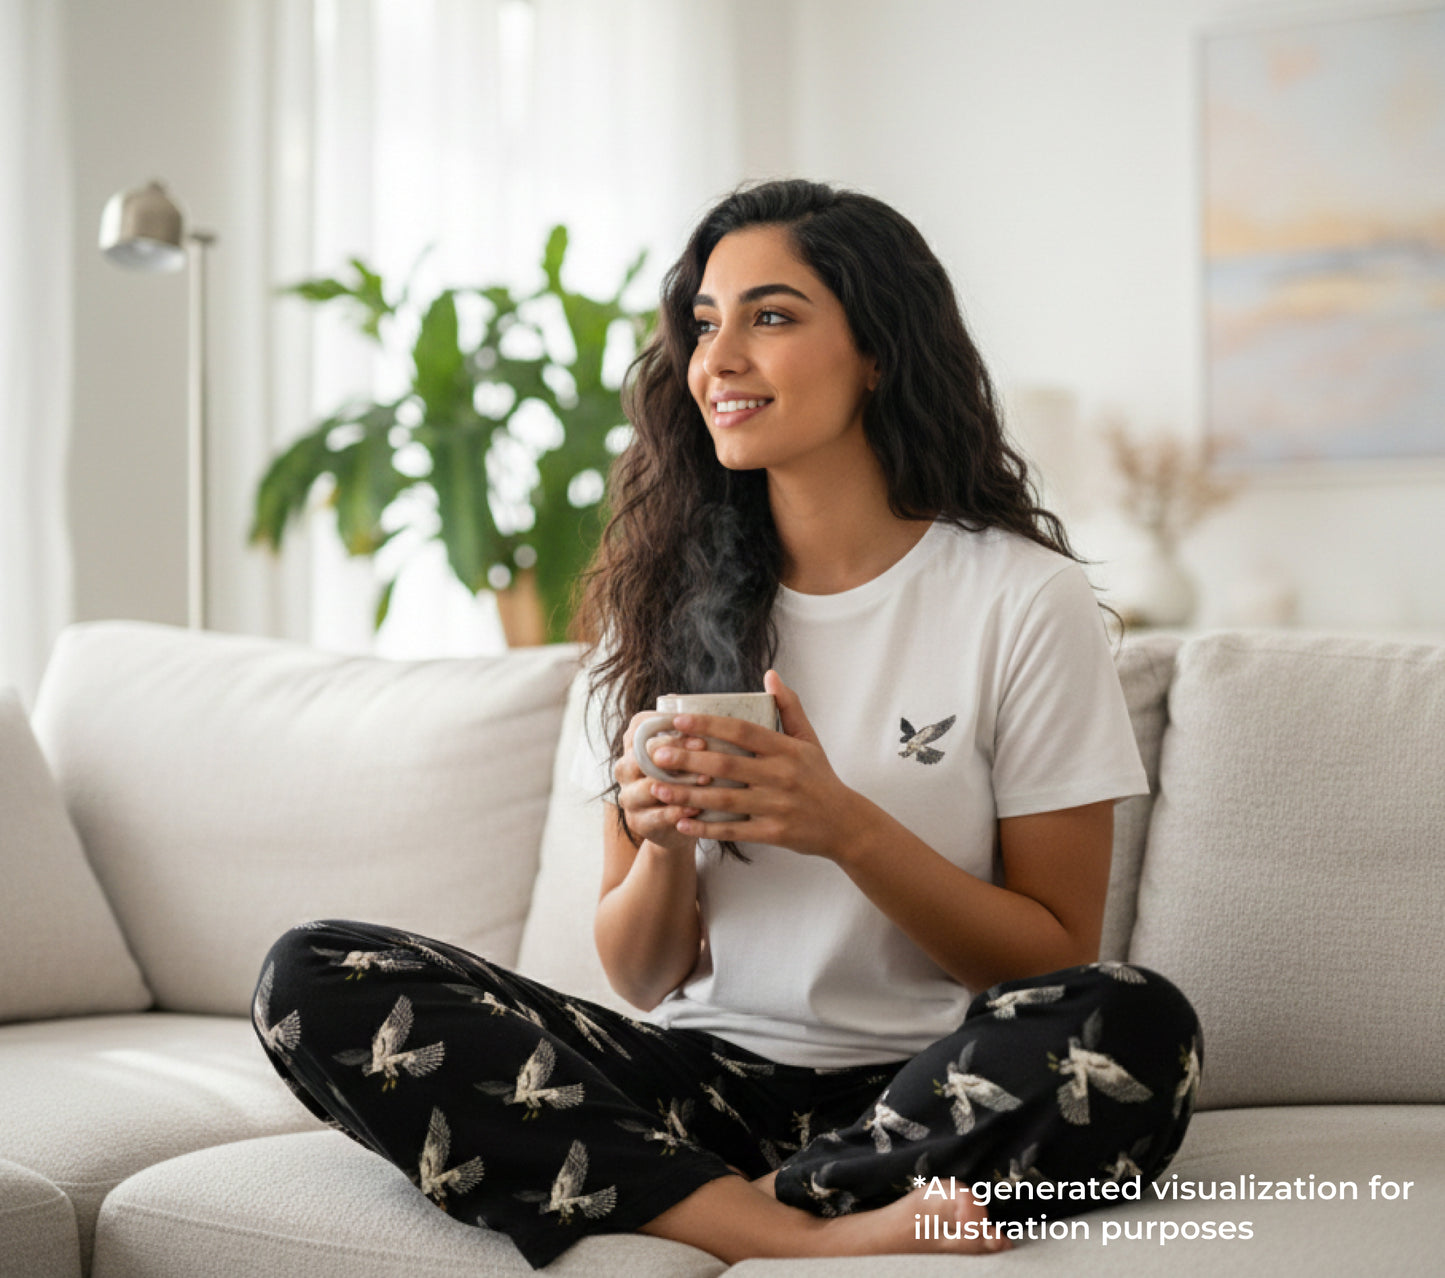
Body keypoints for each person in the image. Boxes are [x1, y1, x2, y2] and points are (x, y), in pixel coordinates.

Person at [254, 179, 1201, 1268]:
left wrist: (840, 826)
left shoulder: (1016, 598)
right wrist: (659, 847)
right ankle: (785, 1226)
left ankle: (698, 1195)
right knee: (310, 975)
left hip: (926, 1082)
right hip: (692, 1078)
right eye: (704, 324)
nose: (719, 357)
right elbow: (643, 976)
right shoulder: (660, 600)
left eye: (771, 316)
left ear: (878, 351)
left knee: (1131, 1023)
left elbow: (1049, 954)